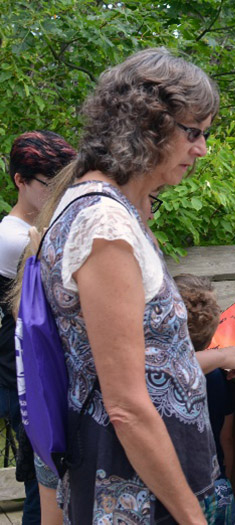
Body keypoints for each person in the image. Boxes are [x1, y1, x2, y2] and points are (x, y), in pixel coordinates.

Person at [10, 48, 235, 523]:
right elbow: (126, 406)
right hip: (134, 495)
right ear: (147, 124)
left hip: (142, 485)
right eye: (194, 132)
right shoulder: (104, 225)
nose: (201, 149)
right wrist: (193, 517)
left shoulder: (93, 205)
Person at [0, 130, 76, 524]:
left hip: (29, 372)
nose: (59, 193)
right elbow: (28, 316)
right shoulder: (15, 239)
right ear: (20, 180)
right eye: (50, 184)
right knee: (40, 484)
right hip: (22, 376)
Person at [175, 273, 235, 525]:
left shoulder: (156, 372)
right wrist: (226, 476)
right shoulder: (217, 376)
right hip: (214, 484)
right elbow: (226, 436)